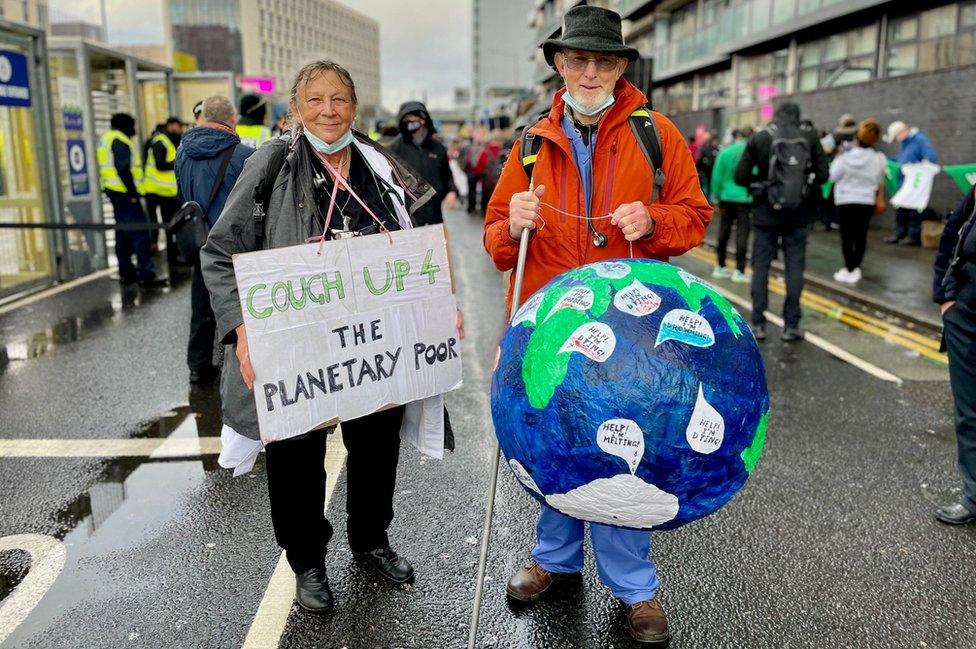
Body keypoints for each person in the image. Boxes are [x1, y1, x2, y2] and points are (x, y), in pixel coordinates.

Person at [484, 6, 712, 645]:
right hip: (553, 327)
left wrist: (655, 222)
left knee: (622, 445)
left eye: (603, 61)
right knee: (553, 441)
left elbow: (694, 215)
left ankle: (635, 588)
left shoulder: (656, 133)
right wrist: (515, 222)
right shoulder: (532, 142)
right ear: (559, 64)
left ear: (619, 67)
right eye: (577, 59)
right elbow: (497, 241)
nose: (589, 71)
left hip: (631, 331)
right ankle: (553, 559)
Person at [201, 60, 461, 615]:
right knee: (295, 456)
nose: (327, 110)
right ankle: (307, 561)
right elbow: (220, 253)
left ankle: (371, 542)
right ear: (295, 108)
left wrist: (442, 305)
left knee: (376, 447)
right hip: (297, 343)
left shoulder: (377, 161)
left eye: (339, 98)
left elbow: (419, 240)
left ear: (354, 106)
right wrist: (241, 329)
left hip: (376, 340)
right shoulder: (271, 162)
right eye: (314, 99)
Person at [175, 96, 254, 384]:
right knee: (239, 306)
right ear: (232, 119)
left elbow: (182, 195)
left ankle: (198, 364)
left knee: (201, 303)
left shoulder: (182, 153)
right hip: (234, 245)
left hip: (199, 240)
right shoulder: (242, 154)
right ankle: (238, 368)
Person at [734, 103, 829, 342]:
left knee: (761, 268)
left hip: (765, 215)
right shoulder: (809, 136)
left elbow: (740, 175)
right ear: (798, 117)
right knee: (794, 269)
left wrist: (762, 185)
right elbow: (824, 174)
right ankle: (791, 325)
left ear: (776, 115)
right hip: (798, 215)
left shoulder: (762, 137)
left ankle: (758, 323)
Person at [933, 185, 976, 525]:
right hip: (966, 310)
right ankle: (973, 496)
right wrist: (945, 295)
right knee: (968, 408)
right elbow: (951, 232)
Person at [97, 113, 166, 287]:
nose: (134, 130)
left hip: (116, 193)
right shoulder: (119, 140)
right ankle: (146, 273)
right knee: (140, 234)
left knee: (122, 235)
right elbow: (123, 169)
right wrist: (134, 194)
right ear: (124, 125)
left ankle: (126, 273)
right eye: (132, 125)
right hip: (125, 195)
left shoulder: (107, 138)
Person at [828, 119, 885, 285]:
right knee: (861, 235)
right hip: (866, 200)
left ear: (857, 138)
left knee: (846, 236)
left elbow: (832, 176)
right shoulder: (879, 158)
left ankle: (848, 268)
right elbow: (879, 179)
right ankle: (856, 268)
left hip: (845, 200)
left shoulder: (844, 157)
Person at [387, 100, 458, 225]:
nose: (410, 124)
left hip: (434, 213)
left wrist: (452, 191)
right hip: (407, 216)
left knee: (437, 244)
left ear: (423, 120)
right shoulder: (394, 148)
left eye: (413, 119)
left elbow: (447, 174)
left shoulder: (437, 147)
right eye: (406, 120)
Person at [710, 127, 753, 283]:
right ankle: (739, 271)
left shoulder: (725, 152)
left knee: (724, 232)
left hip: (726, 197)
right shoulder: (750, 153)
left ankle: (720, 266)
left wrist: (716, 195)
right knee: (743, 234)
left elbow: (717, 175)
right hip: (745, 198)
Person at [884, 120, 937, 246]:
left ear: (901, 132)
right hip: (904, 182)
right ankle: (899, 234)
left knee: (913, 210)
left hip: (915, 183)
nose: (896, 140)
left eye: (896, 136)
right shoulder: (905, 143)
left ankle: (913, 237)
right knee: (901, 208)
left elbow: (930, 155)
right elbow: (901, 159)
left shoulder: (919, 139)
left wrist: (925, 163)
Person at [143, 116, 184, 268]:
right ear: (172, 126)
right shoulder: (161, 141)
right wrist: (178, 162)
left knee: (165, 224)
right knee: (167, 224)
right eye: (179, 126)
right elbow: (160, 164)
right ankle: (170, 256)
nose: (180, 130)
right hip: (159, 191)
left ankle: (171, 254)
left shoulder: (163, 140)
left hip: (160, 191)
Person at [695, 131, 719, 196]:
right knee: (707, 184)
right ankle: (707, 196)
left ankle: (707, 197)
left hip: (707, 169)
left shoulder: (706, 148)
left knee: (707, 184)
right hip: (708, 169)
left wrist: (698, 169)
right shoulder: (711, 148)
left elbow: (699, 159)